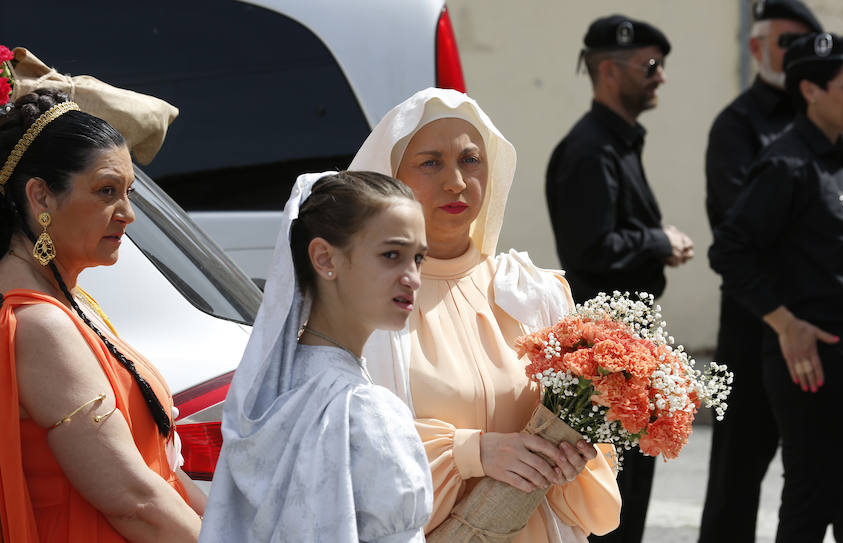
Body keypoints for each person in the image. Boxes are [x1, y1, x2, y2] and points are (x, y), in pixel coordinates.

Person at [351, 88, 621, 542]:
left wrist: (573, 457)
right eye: (431, 162)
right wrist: (473, 452)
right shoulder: (362, 305)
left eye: (471, 160)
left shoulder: (531, 293)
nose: (456, 181)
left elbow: (588, 464)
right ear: (390, 178)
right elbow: (349, 444)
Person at [709, 33, 843, 542]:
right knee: (814, 497)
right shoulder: (785, 163)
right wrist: (783, 322)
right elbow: (730, 251)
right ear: (811, 90)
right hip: (819, 354)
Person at [0, 89, 204, 541]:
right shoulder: (39, 323)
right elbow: (134, 500)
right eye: (106, 191)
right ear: (41, 197)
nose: (128, 214)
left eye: (128, 192)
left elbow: (159, 477)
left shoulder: (66, 302)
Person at [199, 170, 433, 543]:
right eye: (392, 255)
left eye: (418, 258)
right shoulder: (366, 410)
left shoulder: (267, 393)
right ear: (325, 258)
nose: (412, 277)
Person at [544, 15, 690, 543]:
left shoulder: (617, 143)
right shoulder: (591, 150)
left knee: (628, 499)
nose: (661, 78)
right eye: (651, 66)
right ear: (609, 71)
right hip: (605, 362)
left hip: (627, 350)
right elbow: (593, 248)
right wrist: (659, 242)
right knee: (611, 507)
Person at [699, 2, 823, 541]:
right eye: (784, 44)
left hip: (817, 328)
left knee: (821, 477)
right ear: (757, 48)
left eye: (805, 45)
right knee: (736, 477)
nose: (794, 57)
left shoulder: (820, 119)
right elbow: (742, 229)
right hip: (755, 325)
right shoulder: (737, 125)